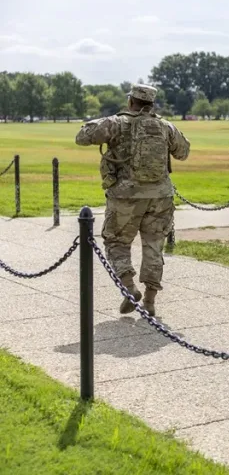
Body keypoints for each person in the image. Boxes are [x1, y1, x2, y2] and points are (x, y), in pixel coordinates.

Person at [75, 84, 190, 316]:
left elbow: (82, 137)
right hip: (160, 197)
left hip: (125, 197)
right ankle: (149, 301)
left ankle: (129, 288)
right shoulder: (165, 126)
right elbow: (183, 152)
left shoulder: (117, 123)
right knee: (154, 247)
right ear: (152, 104)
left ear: (131, 101)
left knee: (116, 242)